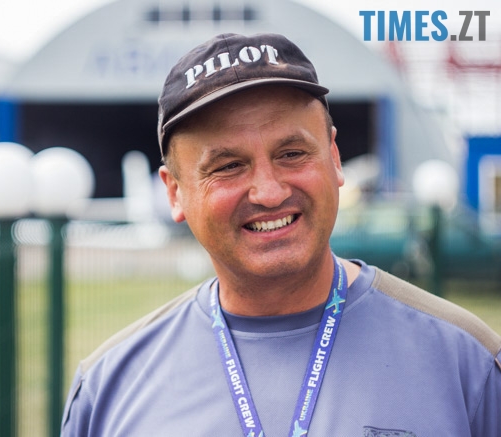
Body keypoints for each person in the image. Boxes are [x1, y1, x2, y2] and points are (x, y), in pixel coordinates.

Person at [61, 33, 501, 436]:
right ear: (175, 193)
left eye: (292, 153)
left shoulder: (466, 364)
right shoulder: (108, 389)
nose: (269, 192)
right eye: (229, 166)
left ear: (334, 157)